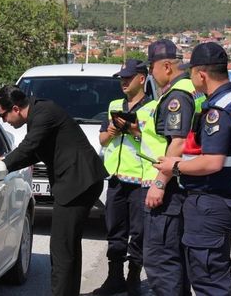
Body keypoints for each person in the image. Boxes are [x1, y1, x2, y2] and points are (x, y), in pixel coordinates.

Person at [0, 85, 108, 296]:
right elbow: (36, 151)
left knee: (61, 248)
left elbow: (29, 146)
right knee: (68, 246)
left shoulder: (43, 113)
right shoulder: (39, 113)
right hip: (79, 182)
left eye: (3, 114)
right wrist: (6, 163)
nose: (3, 120)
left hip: (78, 183)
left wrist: (2, 164)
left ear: (15, 108)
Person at [154, 42, 231, 296]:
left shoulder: (218, 110)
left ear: (201, 74)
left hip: (212, 201)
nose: (189, 77)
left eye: (190, 72)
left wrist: (173, 165)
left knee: (208, 278)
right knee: (213, 272)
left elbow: (212, 162)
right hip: (224, 199)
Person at [139, 39, 204, 296]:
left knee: (161, 259)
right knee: (175, 260)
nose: (149, 74)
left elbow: (177, 143)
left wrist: (159, 183)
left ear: (166, 66)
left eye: (151, 67)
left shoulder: (177, 95)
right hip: (181, 183)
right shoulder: (191, 89)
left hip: (169, 187)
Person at [94, 59, 150, 296]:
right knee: (115, 231)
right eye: (121, 78)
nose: (123, 82)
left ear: (142, 78)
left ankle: (133, 279)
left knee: (138, 233)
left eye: (128, 77)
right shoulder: (114, 104)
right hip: (116, 179)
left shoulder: (153, 107)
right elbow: (102, 140)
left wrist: (135, 131)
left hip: (140, 180)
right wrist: (112, 130)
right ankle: (114, 277)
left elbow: (157, 142)